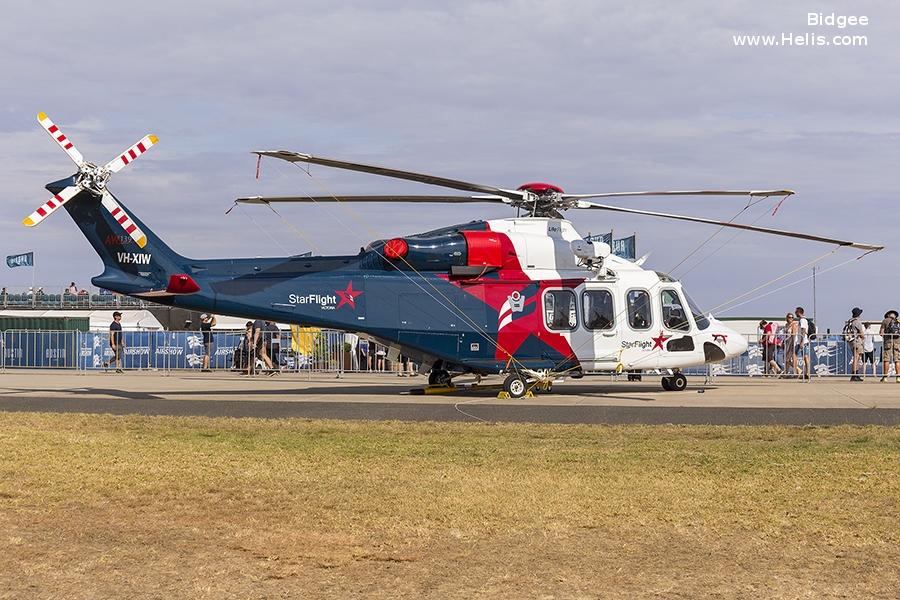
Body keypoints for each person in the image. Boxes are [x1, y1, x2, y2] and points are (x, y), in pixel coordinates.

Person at [879, 309, 900, 383]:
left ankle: (885, 377)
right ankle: (898, 377)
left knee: (886, 359)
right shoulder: (898, 321)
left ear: (888, 315)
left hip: (888, 342)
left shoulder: (885, 321)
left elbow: (881, 333)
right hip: (897, 343)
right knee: (897, 360)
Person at [846, 307, 866, 382]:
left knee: (856, 357)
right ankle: (854, 374)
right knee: (856, 357)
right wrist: (863, 337)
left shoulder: (850, 321)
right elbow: (861, 332)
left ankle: (855, 374)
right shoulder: (857, 321)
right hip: (856, 341)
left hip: (851, 341)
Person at [795, 307, 810, 380]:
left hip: (803, 342)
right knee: (796, 357)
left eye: (796, 312)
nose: (795, 313)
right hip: (800, 341)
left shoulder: (803, 320)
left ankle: (807, 373)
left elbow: (803, 330)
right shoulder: (801, 320)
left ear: (799, 312)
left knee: (805, 357)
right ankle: (804, 372)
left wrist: (802, 341)